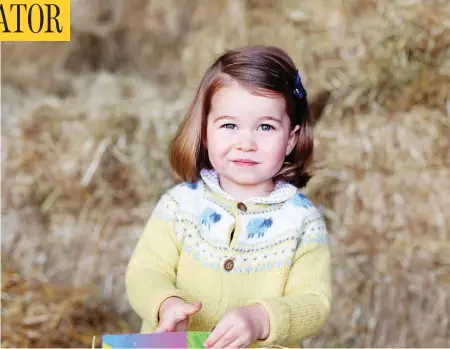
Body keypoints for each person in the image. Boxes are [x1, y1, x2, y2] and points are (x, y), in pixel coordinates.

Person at [125, 45, 332, 348]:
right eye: (229, 125)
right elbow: (144, 270)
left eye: (265, 126)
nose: (246, 142)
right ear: (206, 133)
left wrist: (261, 319)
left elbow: (314, 301)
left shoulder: (302, 222)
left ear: (290, 139)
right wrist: (165, 303)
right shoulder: (180, 206)